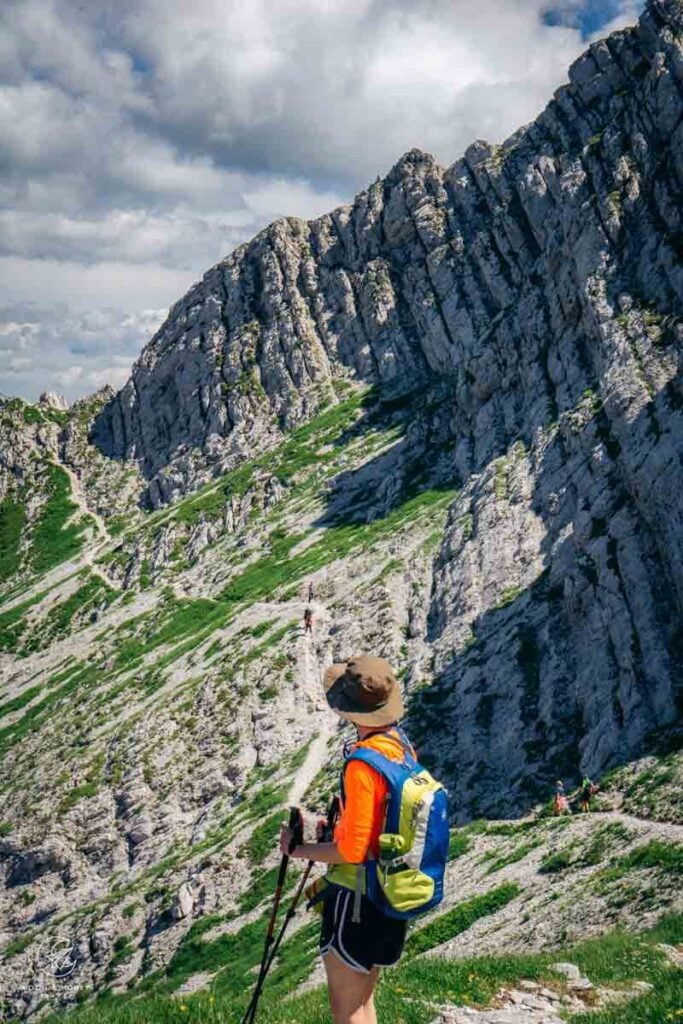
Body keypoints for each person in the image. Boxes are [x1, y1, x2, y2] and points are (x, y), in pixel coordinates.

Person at [280, 655, 410, 1024]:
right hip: (388, 890)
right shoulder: (400, 746)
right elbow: (379, 822)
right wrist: (336, 827)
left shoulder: (363, 764)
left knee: (346, 1007)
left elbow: (351, 850)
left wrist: (297, 848)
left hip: (356, 897)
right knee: (363, 1000)